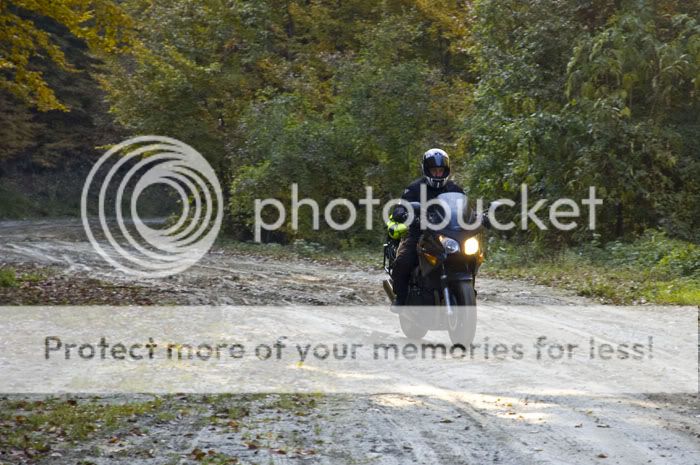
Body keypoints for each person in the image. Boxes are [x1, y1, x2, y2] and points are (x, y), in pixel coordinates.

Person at [389, 148, 464, 313]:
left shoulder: (454, 189)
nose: (437, 174)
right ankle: (400, 297)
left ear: (446, 171)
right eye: (434, 171)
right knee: (404, 260)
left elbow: (465, 209)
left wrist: (479, 217)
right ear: (426, 170)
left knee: (468, 255)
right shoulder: (415, 188)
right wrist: (404, 214)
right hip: (420, 233)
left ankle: (464, 291)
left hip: (448, 234)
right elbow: (400, 208)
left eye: (440, 170)